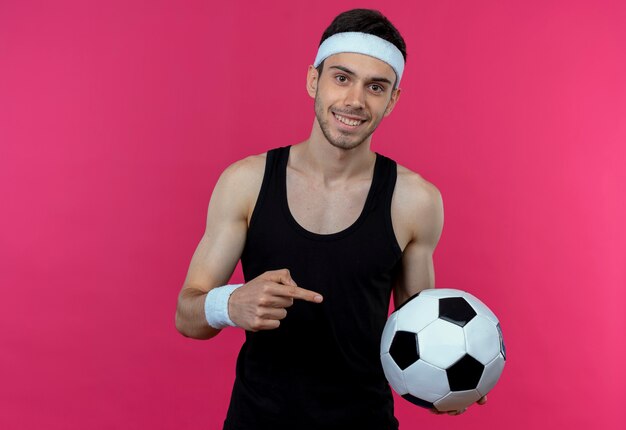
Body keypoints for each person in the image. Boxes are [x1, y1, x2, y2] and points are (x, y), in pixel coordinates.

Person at [175, 8, 486, 430]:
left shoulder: (415, 201)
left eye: (376, 87)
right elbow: (186, 315)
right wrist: (228, 304)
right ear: (312, 81)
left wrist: (447, 377)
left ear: (393, 99)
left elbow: (419, 331)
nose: (355, 101)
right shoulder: (245, 182)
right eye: (341, 78)